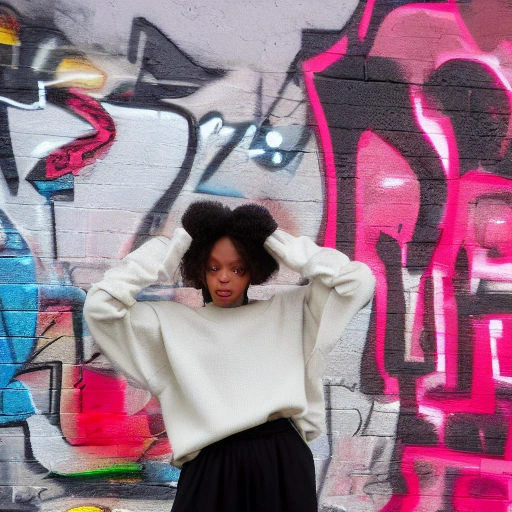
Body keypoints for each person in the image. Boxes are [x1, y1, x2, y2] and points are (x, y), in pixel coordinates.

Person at [83, 200, 375, 512]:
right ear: (199, 268)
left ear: (253, 271)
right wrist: (177, 244)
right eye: (214, 267)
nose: (224, 278)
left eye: (237, 268)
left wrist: (274, 239)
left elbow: (357, 282)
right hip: (210, 464)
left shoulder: (289, 312)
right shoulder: (169, 323)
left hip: (280, 460)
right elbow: (100, 307)